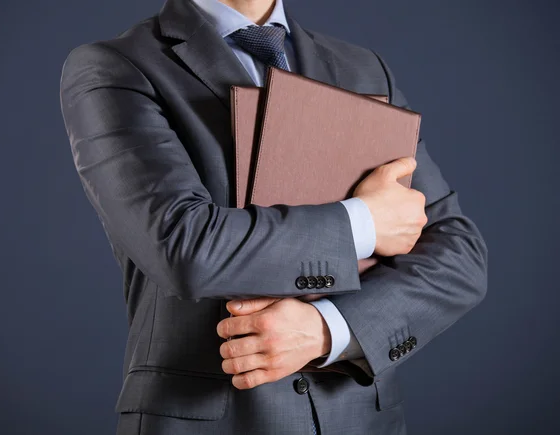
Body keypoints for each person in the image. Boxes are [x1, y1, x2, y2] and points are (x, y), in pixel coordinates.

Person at [59, 0, 488, 433]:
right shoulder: (116, 67)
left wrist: (328, 330)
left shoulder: (364, 68)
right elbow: (182, 245)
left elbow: (457, 255)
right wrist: (364, 223)